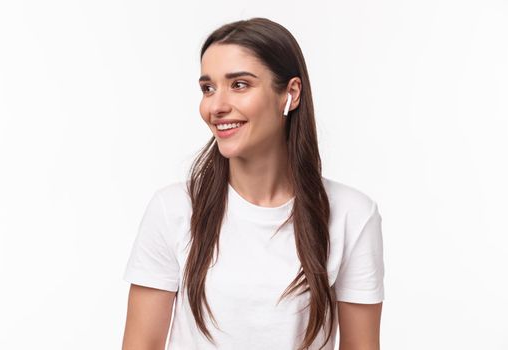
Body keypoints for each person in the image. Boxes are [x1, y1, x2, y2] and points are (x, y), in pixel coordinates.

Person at [121, 17, 384, 350]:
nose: (216, 106)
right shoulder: (173, 209)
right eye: (208, 88)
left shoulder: (352, 215)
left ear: (290, 93)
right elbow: (141, 344)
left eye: (239, 84)